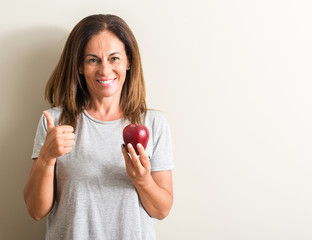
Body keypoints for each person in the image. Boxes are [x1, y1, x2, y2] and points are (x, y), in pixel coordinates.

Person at [23, 14, 174, 240]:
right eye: (93, 60)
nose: (105, 70)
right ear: (80, 66)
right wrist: (46, 158)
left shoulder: (153, 124)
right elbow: (36, 211)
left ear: (129, 62)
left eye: (114, 58)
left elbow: (161, 211)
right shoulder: (55, 123)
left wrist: (142, 180)